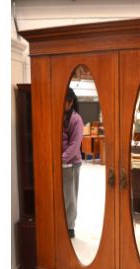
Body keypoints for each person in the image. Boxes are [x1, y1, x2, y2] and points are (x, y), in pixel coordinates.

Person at [62, 88, 84, 239]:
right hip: (58, 162)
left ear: (70, 102)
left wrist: (61, 159)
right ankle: (61, 223)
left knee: (70, 197)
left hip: (71, 164)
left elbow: (75, 145)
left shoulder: (76, 119)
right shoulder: (60, 115)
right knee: (60, 196)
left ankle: (70, 227)